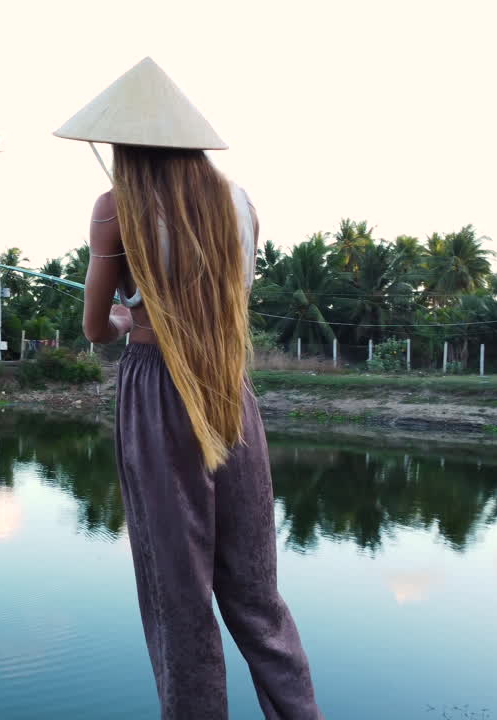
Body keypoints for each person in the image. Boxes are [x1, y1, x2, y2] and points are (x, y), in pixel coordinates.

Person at [56, 58, 322, 719]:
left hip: (157, 395)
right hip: (229, 391)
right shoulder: (242, 204)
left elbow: (96, 327)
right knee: (257, 597)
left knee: (179, 599)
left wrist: (124, 318)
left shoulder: (115, 210)